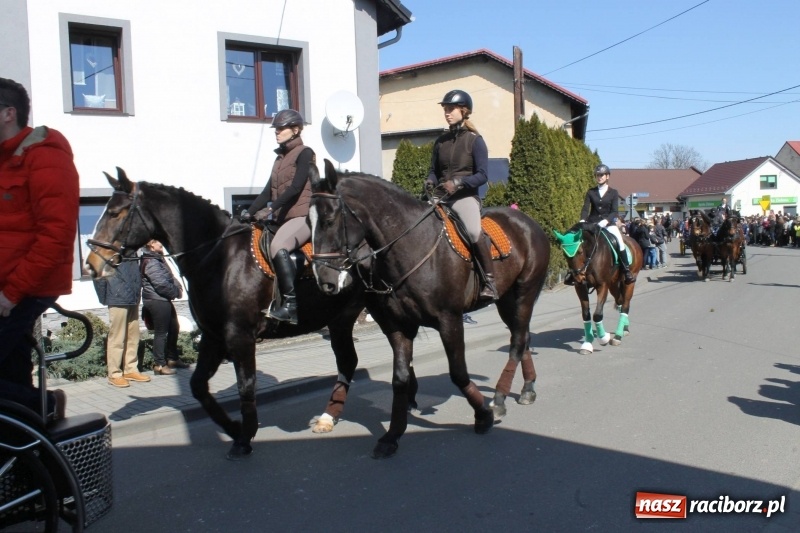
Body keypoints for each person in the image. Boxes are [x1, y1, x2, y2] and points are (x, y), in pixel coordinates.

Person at [0, 77, 78, 421]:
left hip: (23, 289)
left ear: (8, 113)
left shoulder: (45, 156)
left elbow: (56, 235)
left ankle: (43, 407)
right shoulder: (5, 159)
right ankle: (25, 452)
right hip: (6, 286)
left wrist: (11, 293)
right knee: (11, 372)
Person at [240, 109, 314, 325]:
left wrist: (270, 210)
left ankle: (290, 305)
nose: (277, 132)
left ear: (295, 130)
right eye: (276, 129)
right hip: (283, 219)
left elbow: (295, 188)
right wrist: (249, 212)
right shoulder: (279, 158)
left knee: (277, 247)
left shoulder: (305, 153)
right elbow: (266, 193)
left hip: (303, 217)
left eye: (281, 128)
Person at [425, 90, 498, 301]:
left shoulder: (475, 141)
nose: (447, 113)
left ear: (463, 111)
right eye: (445, 109)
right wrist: (430, 180)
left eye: (451, 109)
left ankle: (490, 281)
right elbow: (433, 170)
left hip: (464, 197)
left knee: (475, 232)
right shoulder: (440, 142)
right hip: (441, 196)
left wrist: (458, 182)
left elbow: (483, 175)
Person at [566, 164, 635, 285]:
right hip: (592, 223)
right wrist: (582, 220)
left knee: (619, 241)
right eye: (597, 175)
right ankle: (573, 273)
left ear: (607, 176)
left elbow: (614, 211)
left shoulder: (613, 192)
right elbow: (585, 208)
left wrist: (606, 221)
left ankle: (626, 271)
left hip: (608, 224)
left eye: (602, 175)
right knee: (578, 243)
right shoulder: (591, 192)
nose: (599, 177)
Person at [93, 258, 150, 387]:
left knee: (133, 336)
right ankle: (114, 374)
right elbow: (97, 271)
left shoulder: (132, 250)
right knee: (117, 337)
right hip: (117, 298)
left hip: (133, 297)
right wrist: (105, 297)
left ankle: (130, 369)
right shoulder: (111, 248)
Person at [140, 240, 188, 375]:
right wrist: (176, 292)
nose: (161, 243)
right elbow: (160, 284)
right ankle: (159, 365)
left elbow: (170, 276)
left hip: (163, 299)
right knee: (161, 332)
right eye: (157, 241)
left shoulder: (158, 258)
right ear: (150, 245)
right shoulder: (151, 261)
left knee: (174, 327)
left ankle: (172, 358)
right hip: (156, 300)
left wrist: (178, 287)